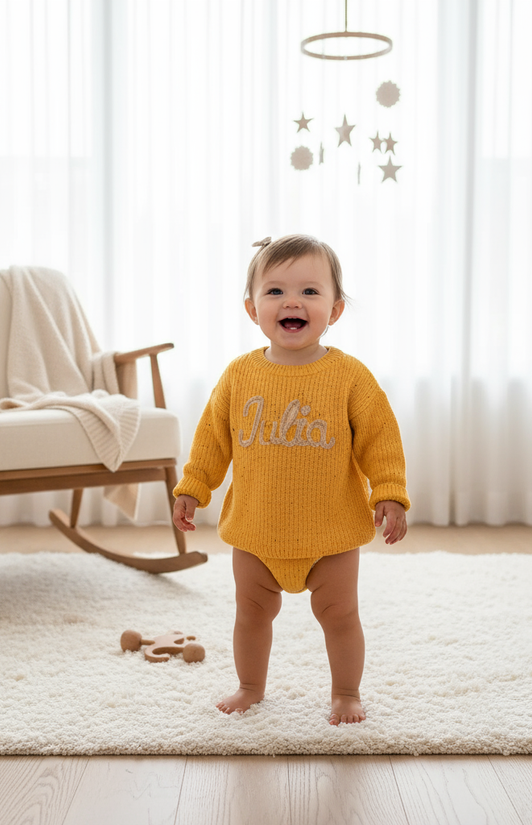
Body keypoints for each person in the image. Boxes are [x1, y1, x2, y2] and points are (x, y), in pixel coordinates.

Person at [172, 234, 410, 725]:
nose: (292, 302)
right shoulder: (239, 376)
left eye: (310, 291)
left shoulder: (350, 377)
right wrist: (194, 487)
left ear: (335, 309)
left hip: (332, 533)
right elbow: (212, 440)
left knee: (341, 617)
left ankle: (346, 692)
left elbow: (380, 439)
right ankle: (249, 687)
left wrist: (388, 493)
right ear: (251, 308)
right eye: (275, 291)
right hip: (257, 533)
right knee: (251, 615)